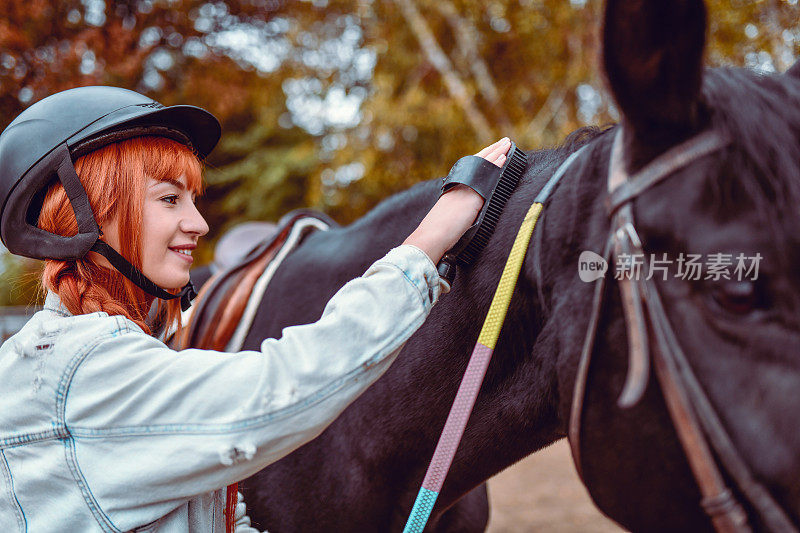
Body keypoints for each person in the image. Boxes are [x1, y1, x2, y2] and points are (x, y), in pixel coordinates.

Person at [0, 86, 511, 532]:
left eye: (193, 199)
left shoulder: (105, 360)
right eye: (169, 199)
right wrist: (425, 245)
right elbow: (279, 389)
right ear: (85, 215)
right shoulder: (79, 372)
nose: (199, 224)